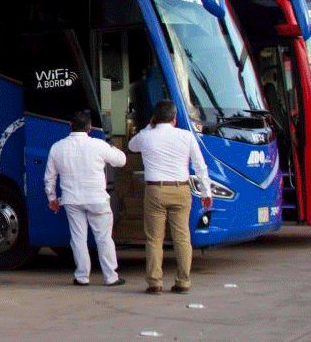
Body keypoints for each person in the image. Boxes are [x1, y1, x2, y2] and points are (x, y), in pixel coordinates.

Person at [128, 100, 212, 295]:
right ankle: (183, 282)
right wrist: (206, 192)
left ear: (155, 118)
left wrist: (150, 125)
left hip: (156, 190)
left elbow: (132, 146)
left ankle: (154, 282)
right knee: (182, 238)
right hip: (181, 190)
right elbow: (200, 165)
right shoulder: (186, 136)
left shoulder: (146, 136)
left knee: (154, 239)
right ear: (175, 119)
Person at [44, 110, 127, 286]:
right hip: (97, 199)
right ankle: (111, 277)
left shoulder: (57, 147)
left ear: (70, 126)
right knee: (104, 238)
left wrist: (52, 197)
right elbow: (121, 161)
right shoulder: (99, 145)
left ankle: (82, 277)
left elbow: (50, 177)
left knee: (78, 239)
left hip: (72, 200)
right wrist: (111, 147)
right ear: (90, 128)